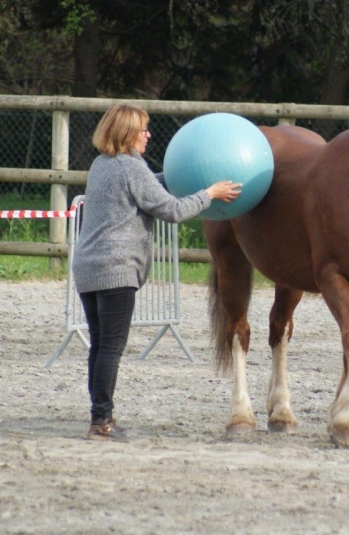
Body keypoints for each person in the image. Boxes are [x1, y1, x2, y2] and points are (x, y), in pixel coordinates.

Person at [72, 103, 241, 442]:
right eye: (143, 129)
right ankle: (101, 422)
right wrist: (209, 194)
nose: (148, 135)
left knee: (99, 345)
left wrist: (187, 179)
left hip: (88, 266)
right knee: (110, 349)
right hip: (116, 269)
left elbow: (149, 186)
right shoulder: (131, 169)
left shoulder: (102, 164)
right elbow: (173, 210)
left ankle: (99, 415)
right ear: (126, 133)